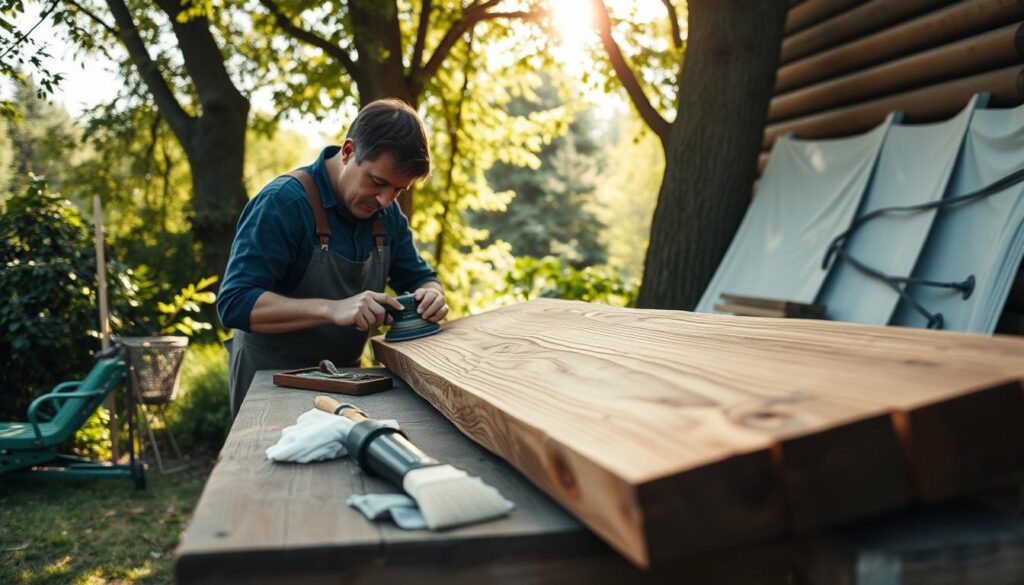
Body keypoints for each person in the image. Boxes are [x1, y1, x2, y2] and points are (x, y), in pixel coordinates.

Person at [217, 99, 448, 417]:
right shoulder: (283, 203)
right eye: (378, 182)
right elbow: (235, 303)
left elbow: (419, 276)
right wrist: (333, 309)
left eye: (399, 190)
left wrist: (432, 293)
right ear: (349, 151)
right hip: (268, 384)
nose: (384, 200)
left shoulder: (387, 214)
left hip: (346, 383)